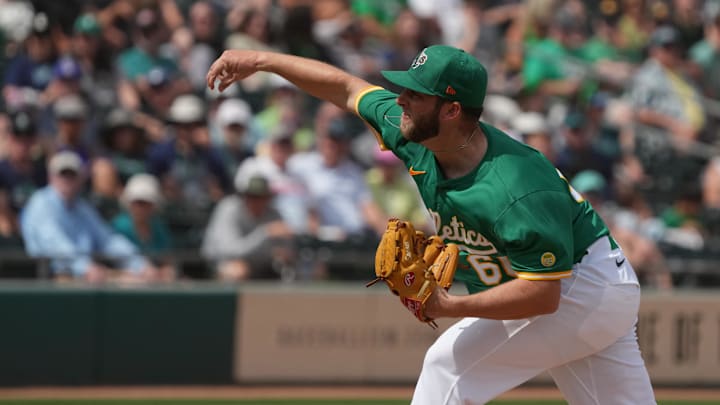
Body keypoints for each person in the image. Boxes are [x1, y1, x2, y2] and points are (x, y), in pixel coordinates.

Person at [207, 44, 656, 404]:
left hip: (579, 286)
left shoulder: (515, 187)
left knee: (448, 366)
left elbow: (543, 293)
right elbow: (345, 88)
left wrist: (446, 306)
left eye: (415, 94)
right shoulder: (414, 133)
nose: (400, 99)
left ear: (451, 111)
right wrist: (262, 60)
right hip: (599, 288)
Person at [20, 151, 157, 283]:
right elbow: (56, 246)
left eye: (72, 175)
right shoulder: (41, 203)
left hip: (84, 276)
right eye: (63, 174)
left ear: (81, 178)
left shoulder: (82, 207)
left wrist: (139, 263)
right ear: (51, 177)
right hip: (50, 279)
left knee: (137, 280)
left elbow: (108, 240)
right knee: (126, 282)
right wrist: (86, 267)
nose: (67, 180)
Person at [201, 173, 295, 282]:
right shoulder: (229, 209)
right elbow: (230, 252)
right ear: (244, 196)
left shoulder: (273, 214)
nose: (257, 201)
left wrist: (285, 253)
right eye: (252, 196)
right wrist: (265, 233)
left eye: (262, 197)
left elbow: (287, 249)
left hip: (259, 265)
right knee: (238, 270)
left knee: (291, 271)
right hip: (220, 263)